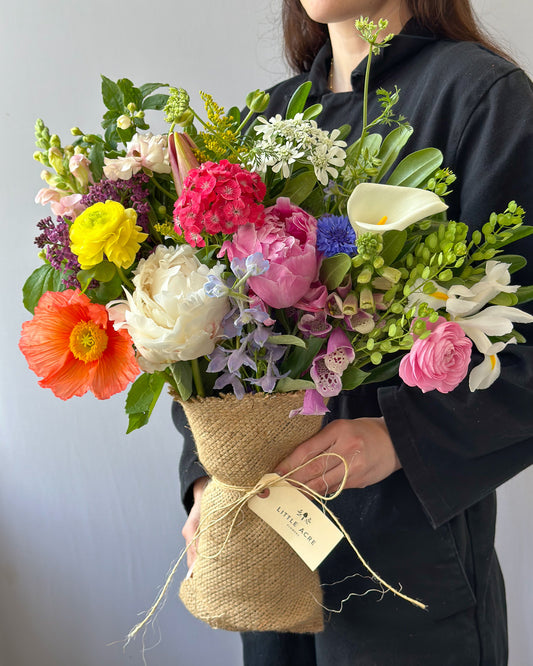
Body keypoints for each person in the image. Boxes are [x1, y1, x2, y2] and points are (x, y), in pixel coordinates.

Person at [175, 1, 533, 663]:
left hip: (409, 573)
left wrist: (396, 435)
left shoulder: (477, 97)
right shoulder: (266, 119)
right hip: (268, 549)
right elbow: (211, 321)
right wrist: (209, 474)